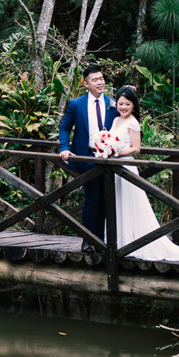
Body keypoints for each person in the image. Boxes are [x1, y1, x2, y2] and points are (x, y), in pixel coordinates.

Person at [109, 87, 179, 262]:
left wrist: (115, 152)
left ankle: (136, 242)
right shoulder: (115, 121)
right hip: (114, 169)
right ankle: (120, 242)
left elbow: (136, 148)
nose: (123, 107)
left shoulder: (133, 122)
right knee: (118, 204)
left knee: (132, 204)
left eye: (127, 104)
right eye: (120, 104)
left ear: (134, 105)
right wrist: (107, 148)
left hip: (127, 167)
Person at [58, 64, 117, 262]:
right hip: (87, 158)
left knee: (107, 200)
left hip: (109, 161)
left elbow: (129, 121)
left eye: (101, 78)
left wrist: (130, 95)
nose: (100, 82)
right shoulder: (76, 104)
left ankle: (104, 240)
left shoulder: (113, 103)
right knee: (92, 199)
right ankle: (88, 240)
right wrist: (64, 148)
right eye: (95, 79)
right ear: (86, 84)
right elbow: (64, 128)